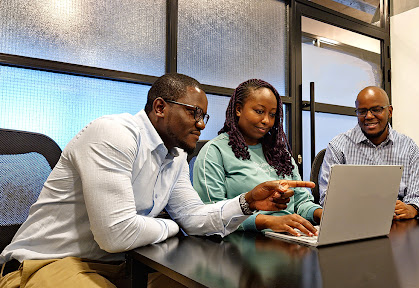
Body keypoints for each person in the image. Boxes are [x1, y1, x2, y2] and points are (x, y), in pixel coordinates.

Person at [0, 73, 314, 288]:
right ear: (160, 107)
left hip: (124, 266)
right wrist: (173, 226)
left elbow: (194, 215)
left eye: (204, 116)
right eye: (194, 113)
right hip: (47, 263)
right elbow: (117, 235)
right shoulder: (113, 134)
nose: (202, 124)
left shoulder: (175, 155)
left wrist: (246, 203)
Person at [193, 79, 322, 237]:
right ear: (238, 109)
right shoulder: (215, 151)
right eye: (259, 111)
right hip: (242, 243)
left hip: (290, 238)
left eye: (272, 114)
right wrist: (266, 221)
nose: (266, 120)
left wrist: (321, 214)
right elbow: (211, 213)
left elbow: (301, 202)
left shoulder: (280, 152)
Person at [318, 86, 419, 219]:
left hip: (398, 227)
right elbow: (327, 200)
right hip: (352, 223)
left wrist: (412, 209)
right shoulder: (338, 146)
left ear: (389, 111)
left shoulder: (408, 147)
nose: (369, 116)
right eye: (362, 111)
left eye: (376, 110)